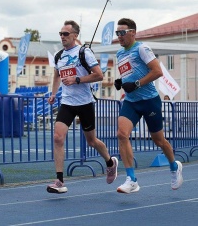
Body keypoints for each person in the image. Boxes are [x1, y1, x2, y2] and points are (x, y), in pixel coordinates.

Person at [46, 20, 118, 194]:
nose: (62, 37)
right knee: (57, 137)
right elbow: (56, 75)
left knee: (91, 141)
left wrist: (77, 79)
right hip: (67, 103)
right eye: (60, 34)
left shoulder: (84, 52)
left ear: (75, 36)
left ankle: (110, 162)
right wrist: (54, 93)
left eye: (66, 34)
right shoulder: (59, 56)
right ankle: (60, 181)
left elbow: (99, 75)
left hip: (85, 103)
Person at [114, 18, 183, 194]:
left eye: (122, 33)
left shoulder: (142, 49)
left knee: (158, 140)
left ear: (132, 32)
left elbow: (157, 71)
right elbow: (129, 74)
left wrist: (136, 84)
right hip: (131, 101)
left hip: (149, 101)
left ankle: (174, 166)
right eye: (117, 33)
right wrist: (121, 82)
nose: (119, 36)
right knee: (122, 134)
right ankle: (132, 179)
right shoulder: (120, 54)